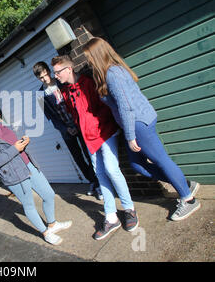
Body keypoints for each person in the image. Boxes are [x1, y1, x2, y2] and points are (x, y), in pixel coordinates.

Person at [82, 37, 201, 221]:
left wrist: (129, 136)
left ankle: (188, 199)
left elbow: (126, 107)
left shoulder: (113, 74)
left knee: (161, 160)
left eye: (89, 58)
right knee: (137, 165)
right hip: (136, 123)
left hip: (138, 124)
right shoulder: (111, 72)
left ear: (97, 56)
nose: (88, 62)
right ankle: (184, 184)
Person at [51, 55, 138, 240]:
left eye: (58, 72)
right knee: (100, 174)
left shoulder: (87, 83)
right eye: (54, 73)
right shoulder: (65, 91)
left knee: (112, 170)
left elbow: (103, 107)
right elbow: (75, 113)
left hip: (104, 132)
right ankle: (111, 216)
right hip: (88, 137)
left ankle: (129, 208)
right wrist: (79, 127)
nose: (55, 76)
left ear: (68, 69)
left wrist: (96, 125)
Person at [0, 98, 72, 245]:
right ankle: (46, 233)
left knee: (49, 194)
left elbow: (12, 145)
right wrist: (15, 148)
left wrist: (22, 142)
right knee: (29, 205)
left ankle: (52, 224)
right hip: (15, 175)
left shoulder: (2, 126)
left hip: (28, 165)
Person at [33, 61, 103, 200]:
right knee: (78, 157)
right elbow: (51, 117)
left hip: (79, 124)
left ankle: (99, 183)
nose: (45, 79)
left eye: (46, 75)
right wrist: (65, 129)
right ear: (38, 78)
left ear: (49, 71)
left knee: (89, 154)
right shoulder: (40, 95)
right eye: (41, 78)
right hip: (65, 130)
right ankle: (92, 181)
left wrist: (77, 123)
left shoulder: (62, 83)